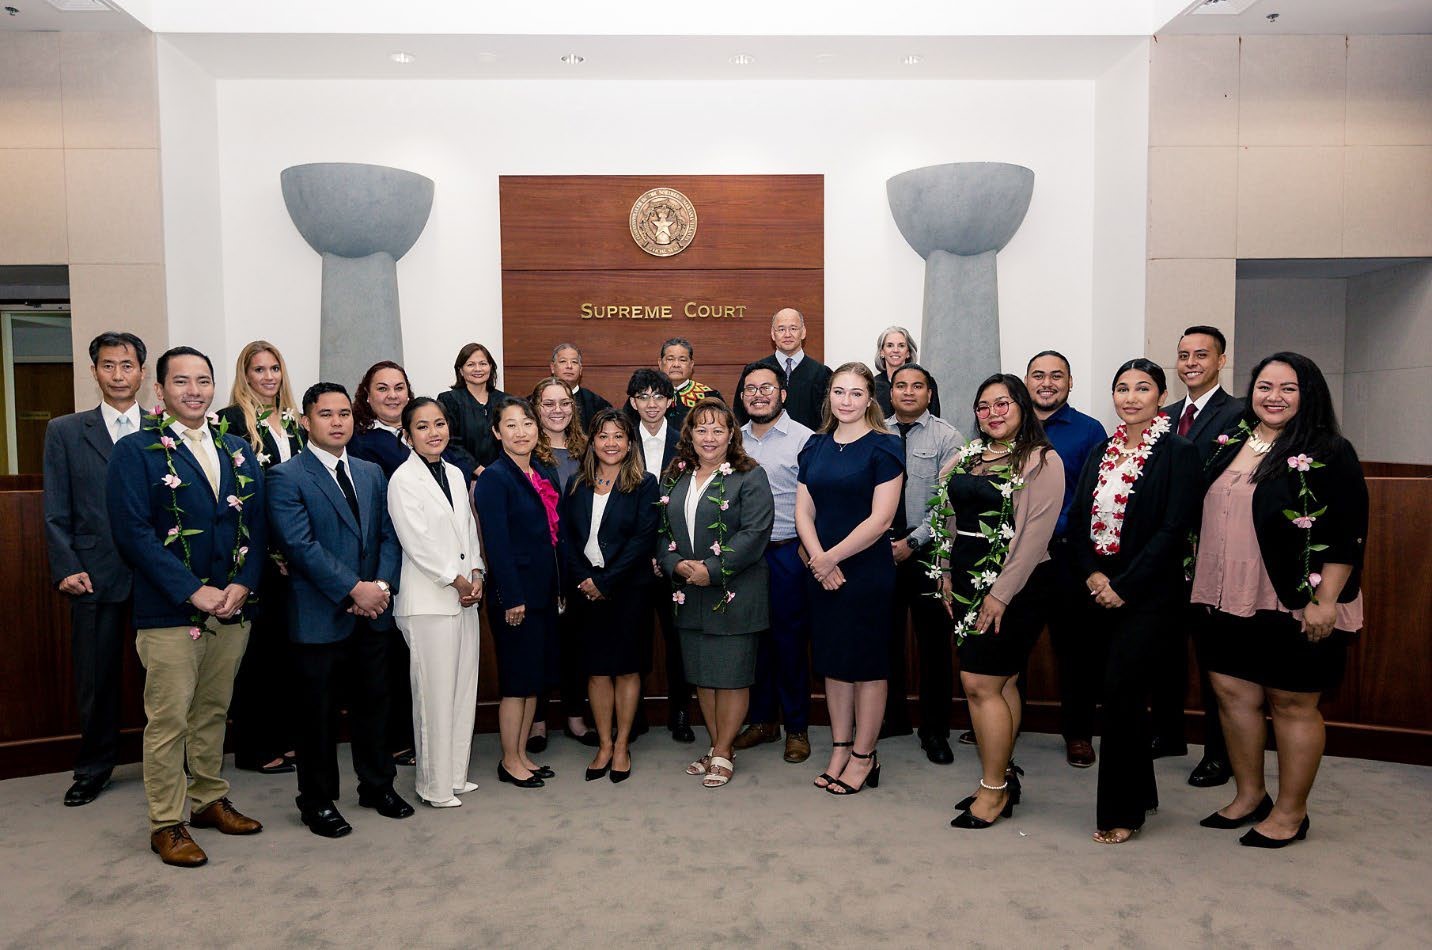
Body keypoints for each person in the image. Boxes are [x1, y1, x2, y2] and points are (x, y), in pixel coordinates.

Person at [1192, 352, 1367, 848]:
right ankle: (1250, 796)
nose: (1274, 397)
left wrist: (1326, 599)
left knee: (1292, 703)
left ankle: (1291, 813)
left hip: (1295, 596)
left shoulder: (1331, 450)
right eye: (1265, 386)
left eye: (1288, 388)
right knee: (1233, 693)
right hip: (1226, 593)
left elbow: (1347, 531)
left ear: (1307, 394)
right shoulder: (1230, 444)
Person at [107, 345, 266, 867]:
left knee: (212, 712)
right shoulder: (138, 450)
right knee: (170, 719)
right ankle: (167, 822)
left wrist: (242, 583)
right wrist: (191, 590)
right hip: (170, 609)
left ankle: (207, 799)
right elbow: (133, 535)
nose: (194, 391)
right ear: (161, 390)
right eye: (181, 381)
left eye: (203, 380)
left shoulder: (237, 449)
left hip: (231, 608)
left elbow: (256, 529)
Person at [267, 383, 413, 838]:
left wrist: (382, 587)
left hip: (374, 613)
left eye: (344, 414)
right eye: (326, 414)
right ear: (306, 421)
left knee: (375, 704)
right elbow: (299, 545)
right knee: (317, 716)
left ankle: (376, 785)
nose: (337, 422)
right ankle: (317, 800)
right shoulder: (286, 475)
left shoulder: (371, 472)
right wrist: (354, 589)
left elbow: (391, 534)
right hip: (319, 615)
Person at [1069, 360, 1200, 844]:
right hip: (1098, 590)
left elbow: (1174, 528)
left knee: (1124, 697)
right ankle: (1141, 792)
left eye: (1142, 388)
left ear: (1161, 395)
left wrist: (1124, 584)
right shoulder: (1102, 450)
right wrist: (1094, 575)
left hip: (1148, 594)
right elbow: (1079, 518)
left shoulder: (1178, 452)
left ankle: (1121, 812)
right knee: (1115, 694)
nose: (1130, 397)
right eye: (1121, 388)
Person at [935, 374, 1062, 829]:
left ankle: (992, 792)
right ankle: (1001, 776)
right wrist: (946, 572)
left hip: (1018, 584)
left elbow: (1032, 538)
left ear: (1022, 407)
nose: (992, 413)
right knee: (1001, 683)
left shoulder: (1041, 460)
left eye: (1002, 403)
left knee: (979, 683)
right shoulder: (969, 457)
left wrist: (1000, 595)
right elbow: (947, 517)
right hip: (967, 577)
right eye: (983, 406)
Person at [44, 331, 146, 807]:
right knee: (97, 678)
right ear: (94, 372)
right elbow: (56, 507)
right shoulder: (65, 430)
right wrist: (66, 565)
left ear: (142, 373)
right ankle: (93, 768)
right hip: (93, 574)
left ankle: (172, 762)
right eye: (109, 365)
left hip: (157, 577)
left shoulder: (163, 428)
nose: (118, 374)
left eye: (127, 365)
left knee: (164, 678)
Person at [796, 363, 904, 796]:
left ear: (870, 399)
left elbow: (881, 520)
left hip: (865, 572)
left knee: (868, 666)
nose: (846, 401)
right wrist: (819, 560)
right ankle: (840, 747)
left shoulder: (885, 447)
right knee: (834, 664)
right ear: (829, 397)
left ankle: (864, 755)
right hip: (823, 571)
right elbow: (803, 510)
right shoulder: (815, 445)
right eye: (838, 392)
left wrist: (831, 558)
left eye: (856, 393)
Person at [658, 399, 775, 788]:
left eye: (718, 430)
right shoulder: (674, 475)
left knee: (732, 676)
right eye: (701, 429)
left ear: (731, 435)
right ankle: (716, 745)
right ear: (689, 433)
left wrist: (710, 569)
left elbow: (755, 533)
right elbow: (661, 531)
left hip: (735, 591)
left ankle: (724, 751)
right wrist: (675, 565)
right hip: (688, 591)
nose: (709, 438)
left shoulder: (750, 475)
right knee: (704, 677)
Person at [1157, 326, 1246, 788]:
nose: (1191, 362)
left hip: (1213, 552)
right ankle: (1169, 732)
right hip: (1166, 555)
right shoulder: (1164, 415)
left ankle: (1219, 751)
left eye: (1201, 355)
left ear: (1221, 360)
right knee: (1165, 649)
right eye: (1183, 354)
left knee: (1214, 656)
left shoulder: (1241, 414)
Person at [386, 397, 485, 808]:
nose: (434, 432)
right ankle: (432, 785)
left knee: (463, 689)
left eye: (440, 424)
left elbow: (468, 530)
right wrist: (457, 579)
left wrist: (477, 573)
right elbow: (417, 543)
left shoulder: (456, 474)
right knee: (433, 695)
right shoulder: (402, 480)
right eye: (423, 426)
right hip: (428, 600)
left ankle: (455, 777)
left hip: (465, 598)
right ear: (407, 436)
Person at [1018, 350, 1109, 767]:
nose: (1047, 383)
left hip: (1067, 557)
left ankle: (1078, 733)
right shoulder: (1008, 425)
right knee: (1010, 645)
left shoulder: (1090, 432)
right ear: (1026, 381)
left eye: (1057, 376)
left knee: (1075, 651)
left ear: (1070, 383)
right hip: (1017, 559)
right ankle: (1003, 721)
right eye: (1038, 375)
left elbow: (1095, 497)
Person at [218, 340, 305, 776]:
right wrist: (270, 550)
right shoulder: (230, 421)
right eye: (259, 370)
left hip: (294, 553)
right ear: (245, 375)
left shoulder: (294, 422)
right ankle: (254, 747)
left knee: (288, 653)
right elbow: (237, 495)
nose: (268, 377)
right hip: (255, 553)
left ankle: (285, 738)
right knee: (257, 656)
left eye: (274, 368)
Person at [563, 408, 661, 782]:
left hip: (628, 591)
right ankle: (603, 743)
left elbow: (642, 539)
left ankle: (622, 746)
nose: (611, 443)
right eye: (603, 436)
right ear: (592, 442)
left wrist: (607, 581)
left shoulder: (645, 483)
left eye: (619, 436)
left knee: (626, 668)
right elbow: (567, 540)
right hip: (585, 592)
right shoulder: (576, 484)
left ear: (630, 442)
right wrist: (586, 579)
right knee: (597, 671)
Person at [473, 397, 564, 789]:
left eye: (527, 423)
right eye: (510, 425)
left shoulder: (538, 471)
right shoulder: (495, 478)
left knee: (533, 681)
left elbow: (551, 539)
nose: (521, 432)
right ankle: (509, 759)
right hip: (516, 597)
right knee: (515, 684)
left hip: (542, 594)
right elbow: (497, 543)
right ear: (497, 433)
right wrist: (512, 596)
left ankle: (523, 753)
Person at [731, 363, 816, 763]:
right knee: (753, 641)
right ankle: (763, 721)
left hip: (788, 553)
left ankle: (796, 727)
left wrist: (809, 545)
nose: (758, 394)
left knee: (790, 642)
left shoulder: (805, 439)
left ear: (783, 393)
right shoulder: (732, 440)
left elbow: (819, 498)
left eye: (767, 387)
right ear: (742, 396)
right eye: (750, 388)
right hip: (743, 558)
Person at [883, 363, 963, 762]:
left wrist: (913, 541)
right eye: (901, 385)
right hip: (878, 553)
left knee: (934, 648)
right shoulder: (873, 431)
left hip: (928, 554)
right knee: (884, 640)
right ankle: (890, 718)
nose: (909, 392)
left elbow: (947, 502)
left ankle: (935, 731)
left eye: (918, 386)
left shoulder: (948, 437)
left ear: (929, 394)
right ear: (890, 391)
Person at [625, 368, 695, 743]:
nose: (651, 404)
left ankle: (680, 713)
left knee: (678, 640)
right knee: (633, 639)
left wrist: (667, 552)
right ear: (633, 402)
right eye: (643, 397)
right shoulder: (618, 439)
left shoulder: (687, 442)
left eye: (658, 397)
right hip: (632, 558)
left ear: (671, 402)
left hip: (676, 556)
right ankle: (632, 717)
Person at [529, 376, 598, 750]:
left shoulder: (587, 448)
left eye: (565, 403)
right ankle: (537, 721)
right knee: (541, 643)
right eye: (549, 403)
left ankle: (574, 716)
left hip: (582, 560)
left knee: (576, 642)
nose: (558, 410)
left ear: (574, 409)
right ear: (536, 408)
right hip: (543, 560)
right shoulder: (526, 449)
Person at [732, 308, 832, 430]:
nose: (787, 334)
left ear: (803, 332)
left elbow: (828, 421)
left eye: (793, 328)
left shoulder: (822, 373)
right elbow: (740, 416)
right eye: (781, 329)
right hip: (762, 445)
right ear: (773, 334)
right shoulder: (755, 372)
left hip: (810, 446)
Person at [438, 342, 508, 471]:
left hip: (503, 474)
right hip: (465, 476)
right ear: (461, 370)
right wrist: (479, 471)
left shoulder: (506, 401)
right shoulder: (448, 400)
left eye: (483, 363)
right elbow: (451, 443)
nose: (478, 369)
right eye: (471, 364)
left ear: (491, 367)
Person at [873, 326, 940, 419]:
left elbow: (934, 420)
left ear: (908, 352)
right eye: (890, 345)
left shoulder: (926, 381)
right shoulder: (872, 385)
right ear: (882, 352)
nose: (895, 350)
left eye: (901, 345)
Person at [659, 338, 723, 427]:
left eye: (683, 360)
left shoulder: (708, 395)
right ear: (660, 363)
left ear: (691, 364)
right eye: (670, 359)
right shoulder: (646, 396)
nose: (676, 364)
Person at [551, 342, 612, 431]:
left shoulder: (598, 405)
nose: (569, 366)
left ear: (580, 370)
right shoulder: (535, 401)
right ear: (552, 367)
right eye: (563, 361)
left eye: (574, 362)